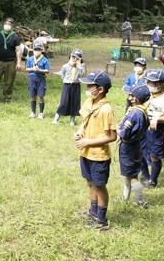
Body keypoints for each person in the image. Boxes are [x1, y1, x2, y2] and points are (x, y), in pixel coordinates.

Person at [74, 71, 116, 230]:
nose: (87, 87)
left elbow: (112, 136)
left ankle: (102, 218)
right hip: (85, 152)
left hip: (99, 155)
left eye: (90, 85)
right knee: (90, 182)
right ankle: (93, 211)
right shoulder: (89, 102)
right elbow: (84, 121)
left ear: (101, 89)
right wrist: (80, 132)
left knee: (99, 185)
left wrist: (88, 142)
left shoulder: (106, 110)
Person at [118, 83, 150, 207]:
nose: (129, 97)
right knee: (128, 173)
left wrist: (115, 129)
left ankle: (141, 201)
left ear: (135, 99)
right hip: (136, 144)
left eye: (130, 95)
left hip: (128, 147)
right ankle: (125, 197)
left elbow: (124, 134)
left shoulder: (134, 114)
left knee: (132, 176)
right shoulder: (142, 110)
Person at [141, 69, 164, 188]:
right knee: (140, 151)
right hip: (143, 128)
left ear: (162, 85)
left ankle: (153, 180)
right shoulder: (147, 95)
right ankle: (144, 174)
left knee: (154, 155)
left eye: (154, 83)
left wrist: (157, 118)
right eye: (149, 82)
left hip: (155, 132)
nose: (151, 86)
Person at [52, 49, 85, 125]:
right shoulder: (65, 66)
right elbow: (63, 75)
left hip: (76, 86)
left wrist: (79, 64)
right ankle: (56, 119)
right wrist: (66, 81)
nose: (75, 59)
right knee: (64, 102)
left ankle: (72, 121)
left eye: (77, 58)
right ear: (70, 56)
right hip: (67, 86)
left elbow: (82, 74)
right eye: (73, 57)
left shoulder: (80, 66)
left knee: (75, 103)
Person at [0, 18, 22, 103]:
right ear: (3, 24)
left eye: (9, 24)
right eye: (6, 23)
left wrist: (19, 63)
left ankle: (7, 98)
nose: (7, 25)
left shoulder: (15, 37)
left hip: (11, 62)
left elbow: (18, 50)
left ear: (12, 26)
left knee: (9, 81)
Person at [24, 42, 50, 119]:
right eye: (36, 49)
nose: (37, 51)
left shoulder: (44, 59)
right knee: (32, 96)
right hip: (32, 78)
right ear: (33, 49)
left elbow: (48, 71)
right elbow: (26, 69)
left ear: (41, 50)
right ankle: (33, 112)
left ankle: (41, 113)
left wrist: (40, 70)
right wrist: (32, 69)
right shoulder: (30, 59)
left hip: (41, 78)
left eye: (39, 49)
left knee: (40, 96)